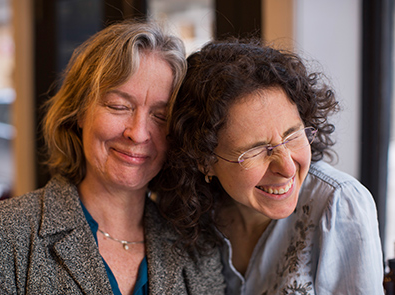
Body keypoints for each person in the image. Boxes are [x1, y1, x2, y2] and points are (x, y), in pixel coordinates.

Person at [0, 20, 225, 294]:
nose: (138, 133)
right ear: (79, 111)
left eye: (161, 116)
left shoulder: (197, 247)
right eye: (119, 106)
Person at [157, 38, 385, 294]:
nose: (287, 168)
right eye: (256, 150)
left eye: (293, 135)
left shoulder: (339, 204)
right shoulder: (191, 212)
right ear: (204, 161)